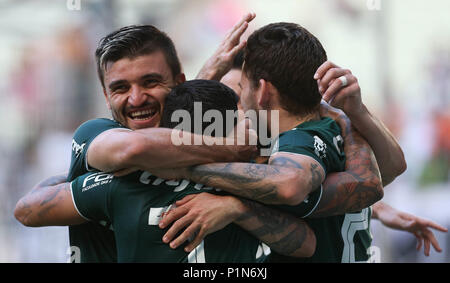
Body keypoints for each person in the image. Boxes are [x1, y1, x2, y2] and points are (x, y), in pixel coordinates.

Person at [16, 80, 319, 262]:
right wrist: (238, 209)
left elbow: (27, 211)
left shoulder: (121, 182)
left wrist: (79, 173)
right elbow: (306, 244)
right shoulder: (257, 182)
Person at [216, 52, 449, 258]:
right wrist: (376, 209)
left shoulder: (297, 146)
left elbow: (388, 171)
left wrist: (354, 111)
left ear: (261, 94)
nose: (237, 109)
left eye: (239, 95)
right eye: (224, 102)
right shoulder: (320, 135)